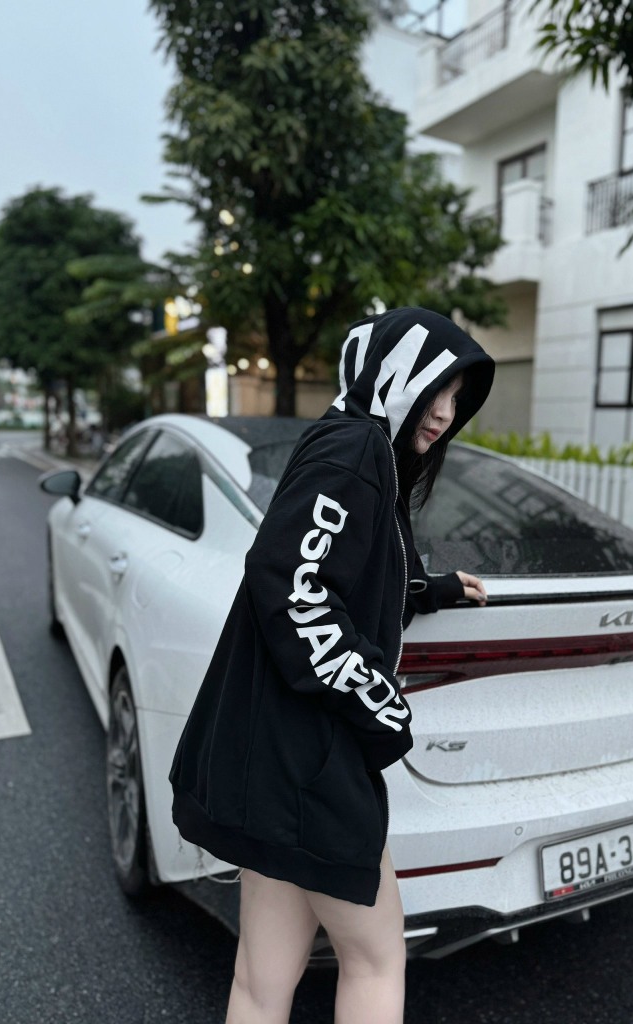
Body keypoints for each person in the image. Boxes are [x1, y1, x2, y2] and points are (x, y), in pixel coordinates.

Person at [169, 307, 495, 1023]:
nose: (445, 413)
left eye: (457, 397)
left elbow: (343, 565)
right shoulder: (355, 448)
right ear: (393, 372)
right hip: (311, 762)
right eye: (435, 387)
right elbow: (291, 582)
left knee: (260, 979)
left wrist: (432, 589)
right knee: (376, 960)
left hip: (273, 759)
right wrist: (381, 707)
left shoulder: (349, 442)